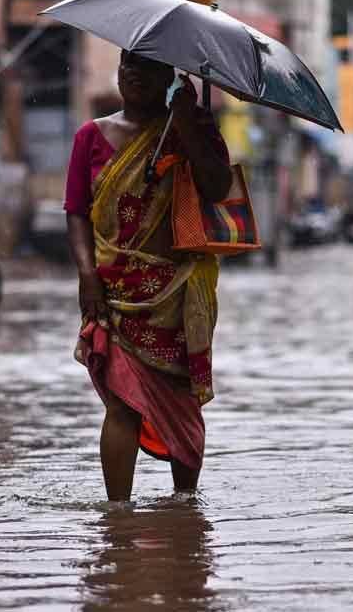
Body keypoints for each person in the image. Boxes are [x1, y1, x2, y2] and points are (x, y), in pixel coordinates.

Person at [65, 50, 232, 502]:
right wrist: (87, 275)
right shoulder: (91, 137)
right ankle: (116, 515)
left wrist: (188, 123)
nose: (135, 76)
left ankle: (185, 507)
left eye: (149, 68)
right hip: (115, 291)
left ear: (169, 78)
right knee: (120, 405)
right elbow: (76, 212)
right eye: (127, 66)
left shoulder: (193, 129)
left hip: (178, 295)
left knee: (181, 402)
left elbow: (218, 188)